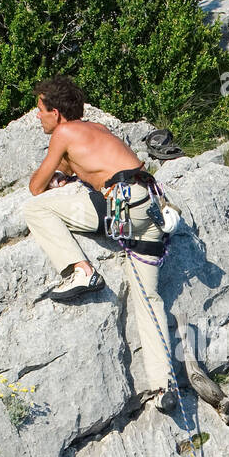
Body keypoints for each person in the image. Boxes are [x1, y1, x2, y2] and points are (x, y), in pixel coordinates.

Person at [24, 76, 177, 413]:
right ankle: (164, 385)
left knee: (34, 208)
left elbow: (36, 187)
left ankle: (80, 271)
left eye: (40, 109)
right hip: (150, 208)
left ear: (57, 113)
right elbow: (88, 166)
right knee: (149, 299)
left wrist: (55, 181)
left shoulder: (63, 133)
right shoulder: (96, 129)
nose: (37, 116)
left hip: (122, 207)